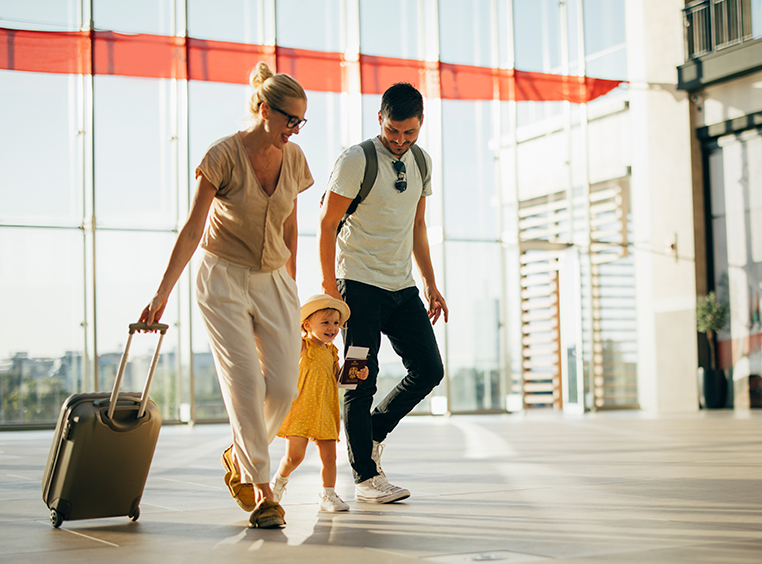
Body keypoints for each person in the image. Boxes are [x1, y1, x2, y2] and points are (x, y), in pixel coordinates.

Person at [139, 61, 313, 529]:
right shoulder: (222, 155)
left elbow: (291, 226)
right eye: (289, 120)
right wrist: (162, 293)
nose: (295, 130)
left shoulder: (294, 160)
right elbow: (194, 227)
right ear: (263, 109)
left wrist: (294, 287)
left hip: (275, 279)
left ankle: (240, 455)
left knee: (283, 386)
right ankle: (261, 491)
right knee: (245, 384)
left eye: (301, 121)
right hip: (223, 278)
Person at [317, 82, 448, 503]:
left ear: (421, 124)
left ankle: (372, 432)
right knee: (360, 379)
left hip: (401, 284)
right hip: (357, 283)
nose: (400, 140)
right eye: (393, 131)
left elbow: (418, 225)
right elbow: (326, 224)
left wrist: (429, 281)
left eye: (409, 133)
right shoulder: (357, 160)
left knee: (428, 369)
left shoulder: (422, 162)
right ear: (380, 120)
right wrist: (327, 287)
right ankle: (365, 477)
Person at [270, 294, 369, 512]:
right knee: (294, 456)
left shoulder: (332, 351)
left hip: (325, 409)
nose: (332, 328)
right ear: (307, 325)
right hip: (301, 408)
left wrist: (357, 374)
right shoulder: (303, 346)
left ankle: (328, 494)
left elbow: (338, 379)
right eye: (325, 322)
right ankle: (279, 480)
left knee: (330, 457)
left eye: (335, 323)